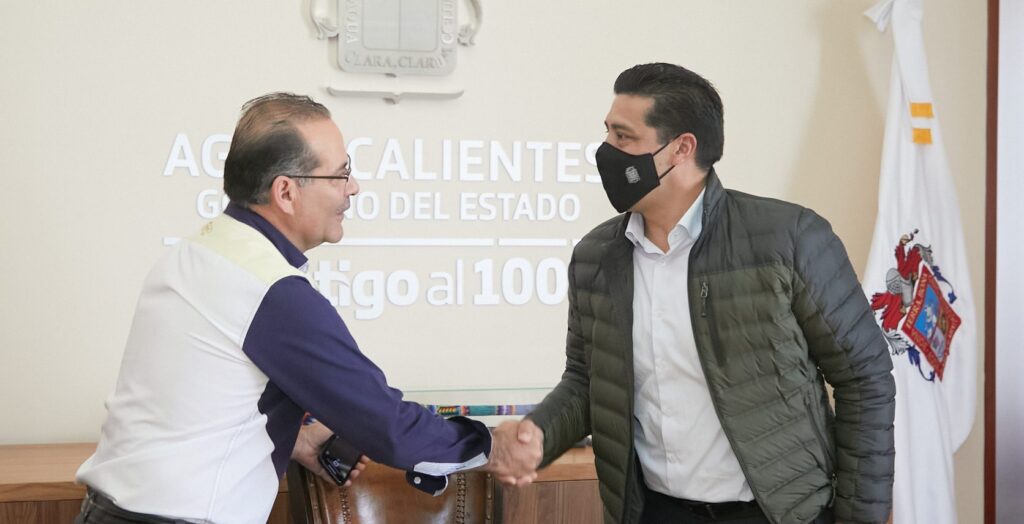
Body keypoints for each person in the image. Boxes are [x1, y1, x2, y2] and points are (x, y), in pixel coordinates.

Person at [75, 93, 537, 524]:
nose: (353, 187)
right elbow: (385, 424)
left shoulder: (195, 253)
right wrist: (492, 447)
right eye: (340, 174)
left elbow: (186, 402)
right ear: (285, 192)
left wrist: (291, 438)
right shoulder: (271, 292)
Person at [492, 63, 896, 524]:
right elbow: (588, 382)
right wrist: (536, 435)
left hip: (777, 513)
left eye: (623, 137)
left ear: (682, 149)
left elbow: (864, 378)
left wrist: (860, 518)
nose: (606, 151)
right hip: (654, 511)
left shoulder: (790, 238)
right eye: (607, 133)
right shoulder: (595, 257)